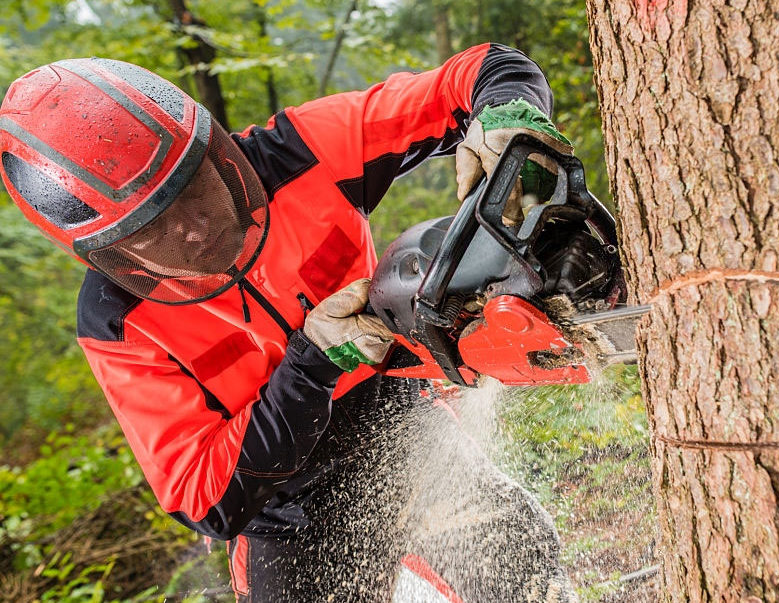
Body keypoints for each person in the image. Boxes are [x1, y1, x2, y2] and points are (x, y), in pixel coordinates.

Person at [0, 44, 577, 602]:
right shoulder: (118, 319)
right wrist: (314, 364)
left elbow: (481, 69)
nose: (193, 230)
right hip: (286, 506)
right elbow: (204, 498)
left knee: (531, 579)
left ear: (212, 151)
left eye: (190, 192)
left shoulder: (298, 152)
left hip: (401, 423)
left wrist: (505, 115)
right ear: (110, 252)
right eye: (154, 230)